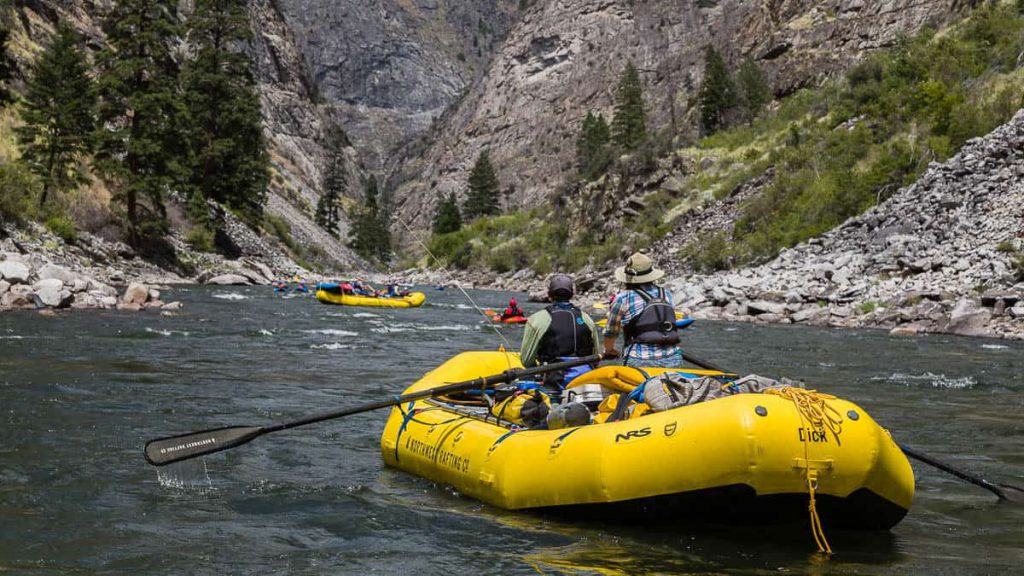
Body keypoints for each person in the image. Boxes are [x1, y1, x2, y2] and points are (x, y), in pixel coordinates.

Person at [520, 274, 601, 394]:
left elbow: (527, 361)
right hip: (585, 380)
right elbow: (595, 358)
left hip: (554, 381)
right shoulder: (587, 319)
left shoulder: (536, 319)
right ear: (572, 295)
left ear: (549, 295)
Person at [602, 251, 683, 368]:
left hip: (640, 360)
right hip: (673, 358)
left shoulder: (623, 298)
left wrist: (609, 351)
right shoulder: (666, 294)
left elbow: (611, 333)